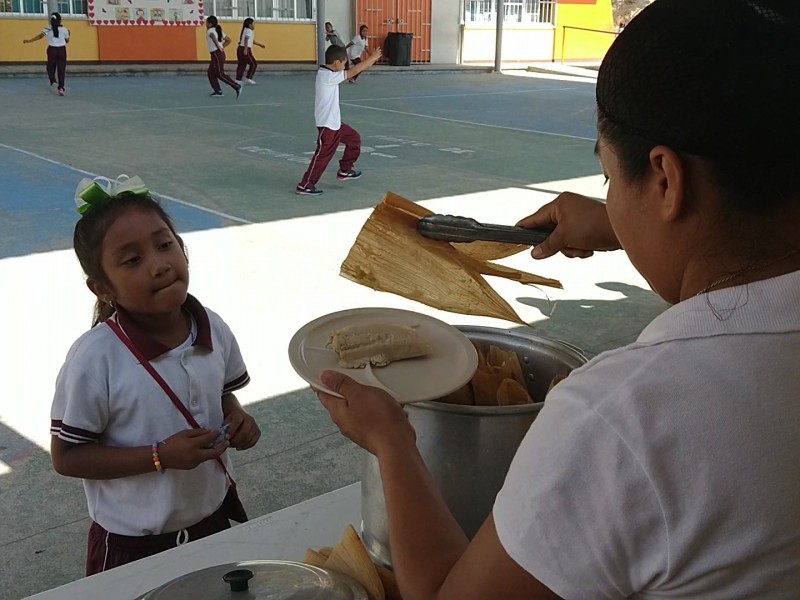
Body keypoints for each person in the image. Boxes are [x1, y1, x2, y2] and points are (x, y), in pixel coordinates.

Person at [313, 0, 800, 598]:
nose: (609, 198)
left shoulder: (624, 419)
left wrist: (391, 440)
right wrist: (625, 224)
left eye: (610, 180)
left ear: (666, 180)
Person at [51, 175, 261, 575]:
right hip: (133, 547)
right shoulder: (95, 358)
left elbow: (222, 395)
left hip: (212, 523)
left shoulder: (212, 328)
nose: (160, 264)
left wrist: (237, 418)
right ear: (103, 288)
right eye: (133, 260)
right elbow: (67, 456)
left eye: (165, 245)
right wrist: (159, 457)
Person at [295, 44, 382, 196]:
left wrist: (371, 61)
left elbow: (355, 70)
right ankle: (306, 184)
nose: (344, 66)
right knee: (322, 156)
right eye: (343, 63)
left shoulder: (329, 73)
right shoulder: (326, 76)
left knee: (354, 139)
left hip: (335, 124)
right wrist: (372, 58)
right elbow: (354, 71)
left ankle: (345, 169)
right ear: (336, 62)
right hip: (327, 126)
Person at [22, 12, 70, 96]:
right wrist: (69, 35)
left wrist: (29, 41)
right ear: (60, 20)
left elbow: (39, 37)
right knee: (61, 69)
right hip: (62, 50)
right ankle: (61, 88)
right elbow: (67, 41)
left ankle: (53, 81)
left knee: (50, 67)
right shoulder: (65, 30)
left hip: (52, 50)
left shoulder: (48, 29)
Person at [205, 16, 242, 98]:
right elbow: (228, 40)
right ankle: (218, 91)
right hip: (218, 54)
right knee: (211, 73)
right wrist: (222, 47)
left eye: (206, 22)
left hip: (216, 54)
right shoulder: (218, 30)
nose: (206, 24)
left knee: (220, 74)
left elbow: (212, 36)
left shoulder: (210, 31)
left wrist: (218, 46)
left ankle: (236, 86)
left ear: (210, 24)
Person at [235, 17, 266, 86]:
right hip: (245, 49)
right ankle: (247, 77)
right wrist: (245, 49)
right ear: (249, 25)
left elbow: (251, 40)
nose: (254, 25)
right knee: (253, 63)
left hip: (242, 48)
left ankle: (238, 79)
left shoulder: (246, 30)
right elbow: (246, 39)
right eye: (253, 24)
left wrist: (260, 45)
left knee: (242, 64)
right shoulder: (248, 30)